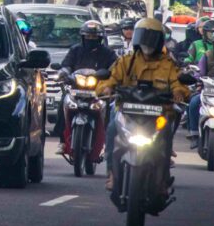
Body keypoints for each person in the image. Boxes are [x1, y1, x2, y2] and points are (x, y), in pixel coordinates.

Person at [96, 18, 190, 191]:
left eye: (151, 38)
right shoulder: (126, 61)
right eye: (143, 37)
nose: (147, 43)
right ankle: (111, 173)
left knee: (165, 136)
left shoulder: (168, 64)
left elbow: (178, 83)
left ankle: (162, 180)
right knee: (111, 130)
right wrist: (107, 88)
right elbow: (111, 78)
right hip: (127, 111)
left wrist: (178, 92)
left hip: (157, 114)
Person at [54, 20, 117, 154]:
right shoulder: (75, 50)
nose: (90, 39)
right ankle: (62, 141)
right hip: (76, 88)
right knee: (63, 102)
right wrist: (64, 73)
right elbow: (67, 65)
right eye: (88, 36)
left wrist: (108, 78)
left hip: (99, 92)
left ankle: (107, 143)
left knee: (111, 109)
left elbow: (115, 69)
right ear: (83, 37)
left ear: (100, 38)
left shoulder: (108, 53)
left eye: (94, 37)